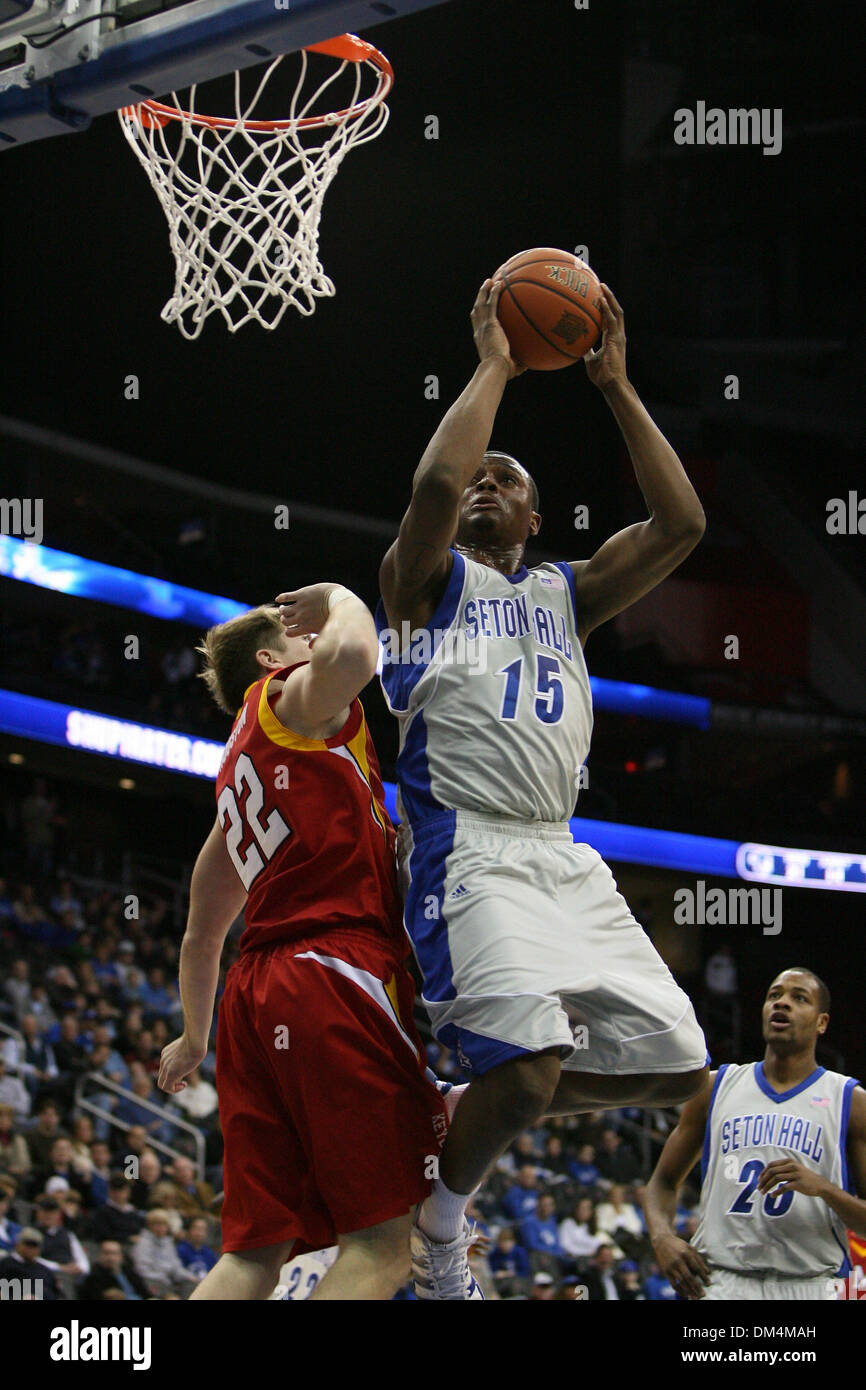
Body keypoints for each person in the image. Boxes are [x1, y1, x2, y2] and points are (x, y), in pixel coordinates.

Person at [376, 276, 708, 1297]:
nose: (485, 483)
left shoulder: (568, 590)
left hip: (561, 852)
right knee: (523, 1073)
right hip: (466, 846)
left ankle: (454, 1098)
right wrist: (493, 365)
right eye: (482, 473)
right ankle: (439, 1227)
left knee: (679, 1070)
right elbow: (434, 489)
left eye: (506, 480)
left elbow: (681, 521)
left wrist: (612, 383)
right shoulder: (420, 583)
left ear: (531, 516)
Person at [158, 589, 449, 1300]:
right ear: (269, 661)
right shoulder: (290, 703)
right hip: (329, 969)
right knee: (384, 1244)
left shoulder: (238, 776)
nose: (308, 642)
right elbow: (354, 652)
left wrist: (195, 1036)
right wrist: (340, 599)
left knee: (255, 1253)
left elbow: (203, 934)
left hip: (251, 996)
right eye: (294, 638)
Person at [644, 968, 866, 1301]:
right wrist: (662, 1238)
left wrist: (825, 1189)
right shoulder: (714, 1088)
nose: (783, 1004)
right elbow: (661, 1182)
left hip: (812, 1283)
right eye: (774, 996)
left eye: (799, 998)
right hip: (720, 1280)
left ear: (822, 1022)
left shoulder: (851, 1102)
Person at [78, 1239, 149, 1301]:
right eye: (106, 1253)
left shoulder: (129, 1272)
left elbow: (146, 1294)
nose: (111, 1257)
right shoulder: (94, 1276)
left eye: (114, 1253)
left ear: (121, 1256)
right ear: (100, 1255)